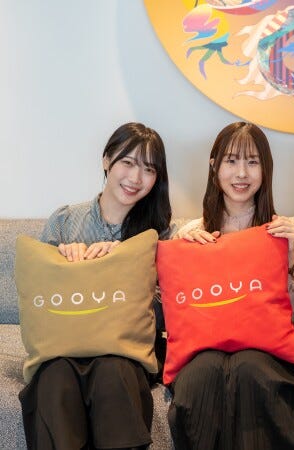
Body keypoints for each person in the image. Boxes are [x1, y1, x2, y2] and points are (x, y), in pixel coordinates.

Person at [168, 122, 294, 450]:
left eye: (252, 162)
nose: (241, 173)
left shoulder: (282, 232)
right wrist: (185, 251)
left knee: (247, 367)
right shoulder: (192, 233)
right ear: (214, 166)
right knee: (203, 374)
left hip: (265, 351)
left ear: (265, 170)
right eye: (231, 161)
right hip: (204, 349)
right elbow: (179, 311)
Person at [19, 122, 172, 449]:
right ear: (106, 160)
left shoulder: (159, 234)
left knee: (112, 371)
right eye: (127, 162)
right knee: (55, 376)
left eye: (148, 169)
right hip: (62, 348)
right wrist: (64, 262)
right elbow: (39, 299)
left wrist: (123, 265)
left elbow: (165, 312)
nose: (135, 178)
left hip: (124, 352)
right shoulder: (64, 221)